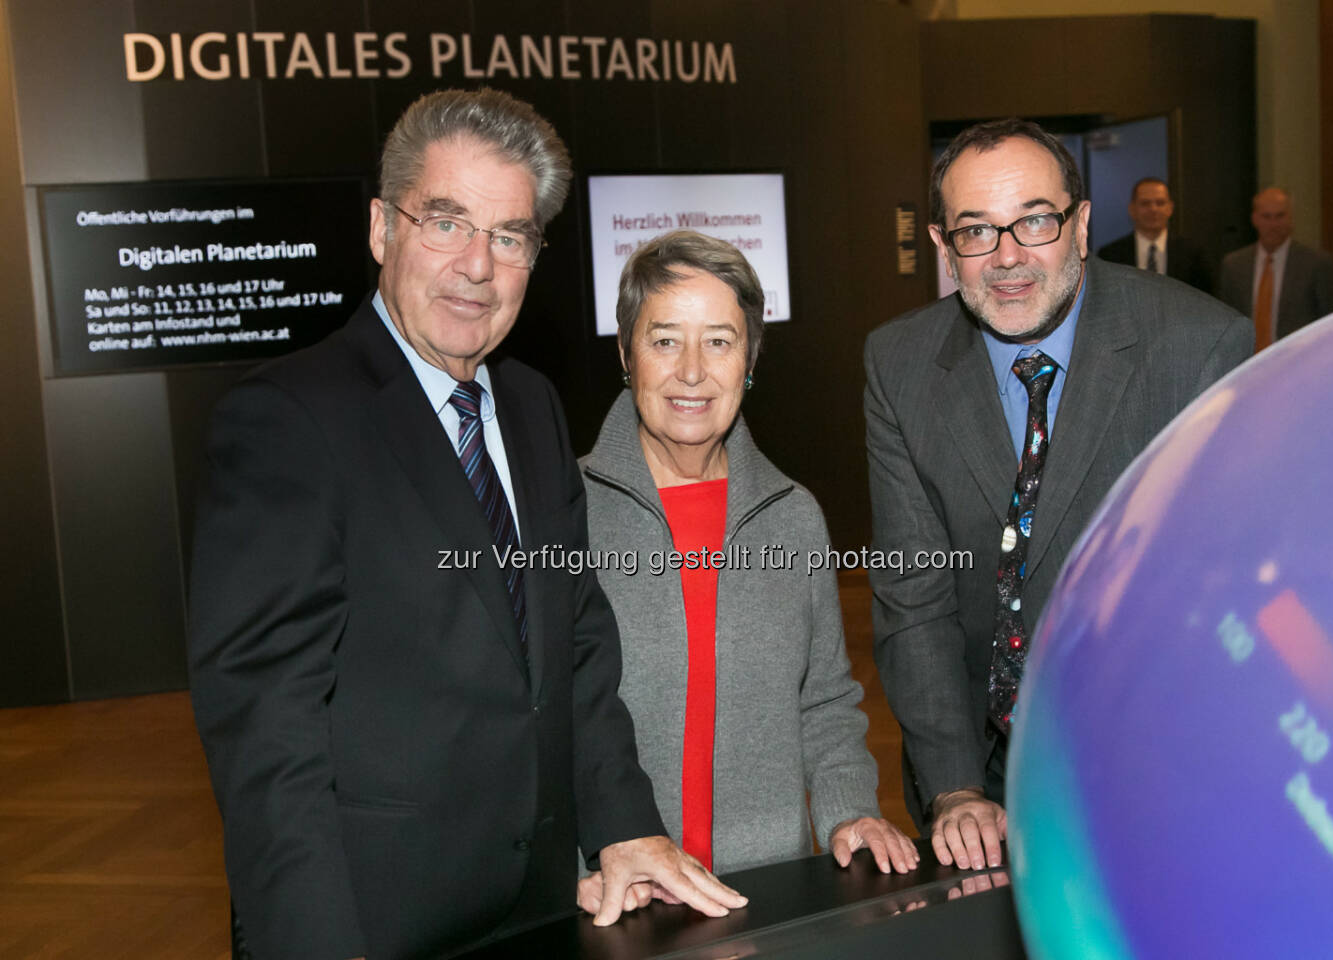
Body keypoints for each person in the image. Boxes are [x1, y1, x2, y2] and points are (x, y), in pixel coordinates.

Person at [187, 89, 744, 960]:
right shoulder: (287, 422)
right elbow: (268, 733)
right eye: (446, 222)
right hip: (371, 920)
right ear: (382, 229)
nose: (477, 266)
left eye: (510, 236)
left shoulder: (531, 407)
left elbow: (578, 639)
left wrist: (623, 828)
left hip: (543, 904)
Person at [865, 119, 1250, 876]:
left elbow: (1215, 601)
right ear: (943, 247)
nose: (1007, 256)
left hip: (1150, 768)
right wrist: (953, 788)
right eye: (976, 231)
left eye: (1035, 221)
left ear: (1079, 225)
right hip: (979, 771)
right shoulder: (898, 362)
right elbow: (915, 598)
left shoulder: (1198, 348)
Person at [575, 231, 917, 912]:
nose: (693, 372)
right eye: (666, 340)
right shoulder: (565, 515)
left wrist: (849, 811)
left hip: (767, 896)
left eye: (720, 342)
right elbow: (539, 726)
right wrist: (579, 862)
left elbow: (823, 700)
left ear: (750, 360)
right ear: (625, 353)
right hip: (620, 901)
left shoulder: (793, 517)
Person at [1218, 187, 1333, 350]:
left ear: (1291, 218)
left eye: (1280, 216)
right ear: (1255, 219)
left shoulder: (1317, 263)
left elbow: (1331, 322)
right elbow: (1226, 322)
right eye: (1266, 217)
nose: (1273, 224)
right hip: (1247, 365)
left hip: (1298, 360)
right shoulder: (1234, 265)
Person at [1098, 177, 1213, 293]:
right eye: (1145, 203)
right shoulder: (1110, 256)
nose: (1153, 209)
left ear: (1170, 208)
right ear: (1132, 209)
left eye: (1160, 203)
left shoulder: (1192, 254)